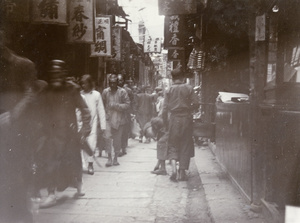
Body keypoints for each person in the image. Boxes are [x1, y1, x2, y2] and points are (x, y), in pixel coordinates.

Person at [35, 60, 91, 208]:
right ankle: (51, 194)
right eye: (53, 74)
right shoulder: (47, 91)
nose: (56, 77)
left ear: (64, 74)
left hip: (70, 132)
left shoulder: (72, 90)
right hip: (52, 133)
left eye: (59, 73)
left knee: (74, 160)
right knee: (51, 161)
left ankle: (79, 185)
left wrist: (84, 130)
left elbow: (85, 110)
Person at [0, 30, 40, 223]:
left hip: (15, 133)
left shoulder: (22, 65)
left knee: (15, 182)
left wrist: (13, 114)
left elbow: (31, 94)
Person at [162, 65, 199, 182]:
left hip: (173, 119)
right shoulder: (189, 88)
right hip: (186, 119)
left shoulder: (169, 90)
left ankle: (173, 169)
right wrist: (190, 109)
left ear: (172, 78)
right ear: (183, 77)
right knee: (185, 143)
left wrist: (165, 123)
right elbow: (196, 103)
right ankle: (182, 172)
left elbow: (164, 108)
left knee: (172, 144)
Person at [102, 74, 130, 167]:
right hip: (108, 119)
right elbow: (102, 105)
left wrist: (116, 105)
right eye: (111, 83)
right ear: (108, 83)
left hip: (119, 120)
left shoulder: (122, 92)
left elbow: (127, 105)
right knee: (108, 139)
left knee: (117, 140)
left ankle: (115, 158)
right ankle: (109, 158)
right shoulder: (105, 92)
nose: (112, 85)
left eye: (114, 83)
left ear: (117, 83)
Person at [80, 74, 106, 175]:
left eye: (85, 84)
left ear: (90, 84)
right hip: (81, 122)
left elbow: (101, 110)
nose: (83, 86)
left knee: (91, 143)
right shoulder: (79, 94)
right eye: (81, 84)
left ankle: (90, 164)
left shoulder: (96, 95)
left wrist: (103, 126)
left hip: (93, 122)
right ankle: (81, 164)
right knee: (81, 144)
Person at [117, 74, 133, 156]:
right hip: (116, 113)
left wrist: (131, 113)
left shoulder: (128, 90)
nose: (119, 82)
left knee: (124, 131)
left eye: (121, 80)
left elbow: (131, 102)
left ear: (123, 81)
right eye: (118, 80)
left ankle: (123, 147)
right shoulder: (113, 90)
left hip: (125, 114)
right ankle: (119, 148)